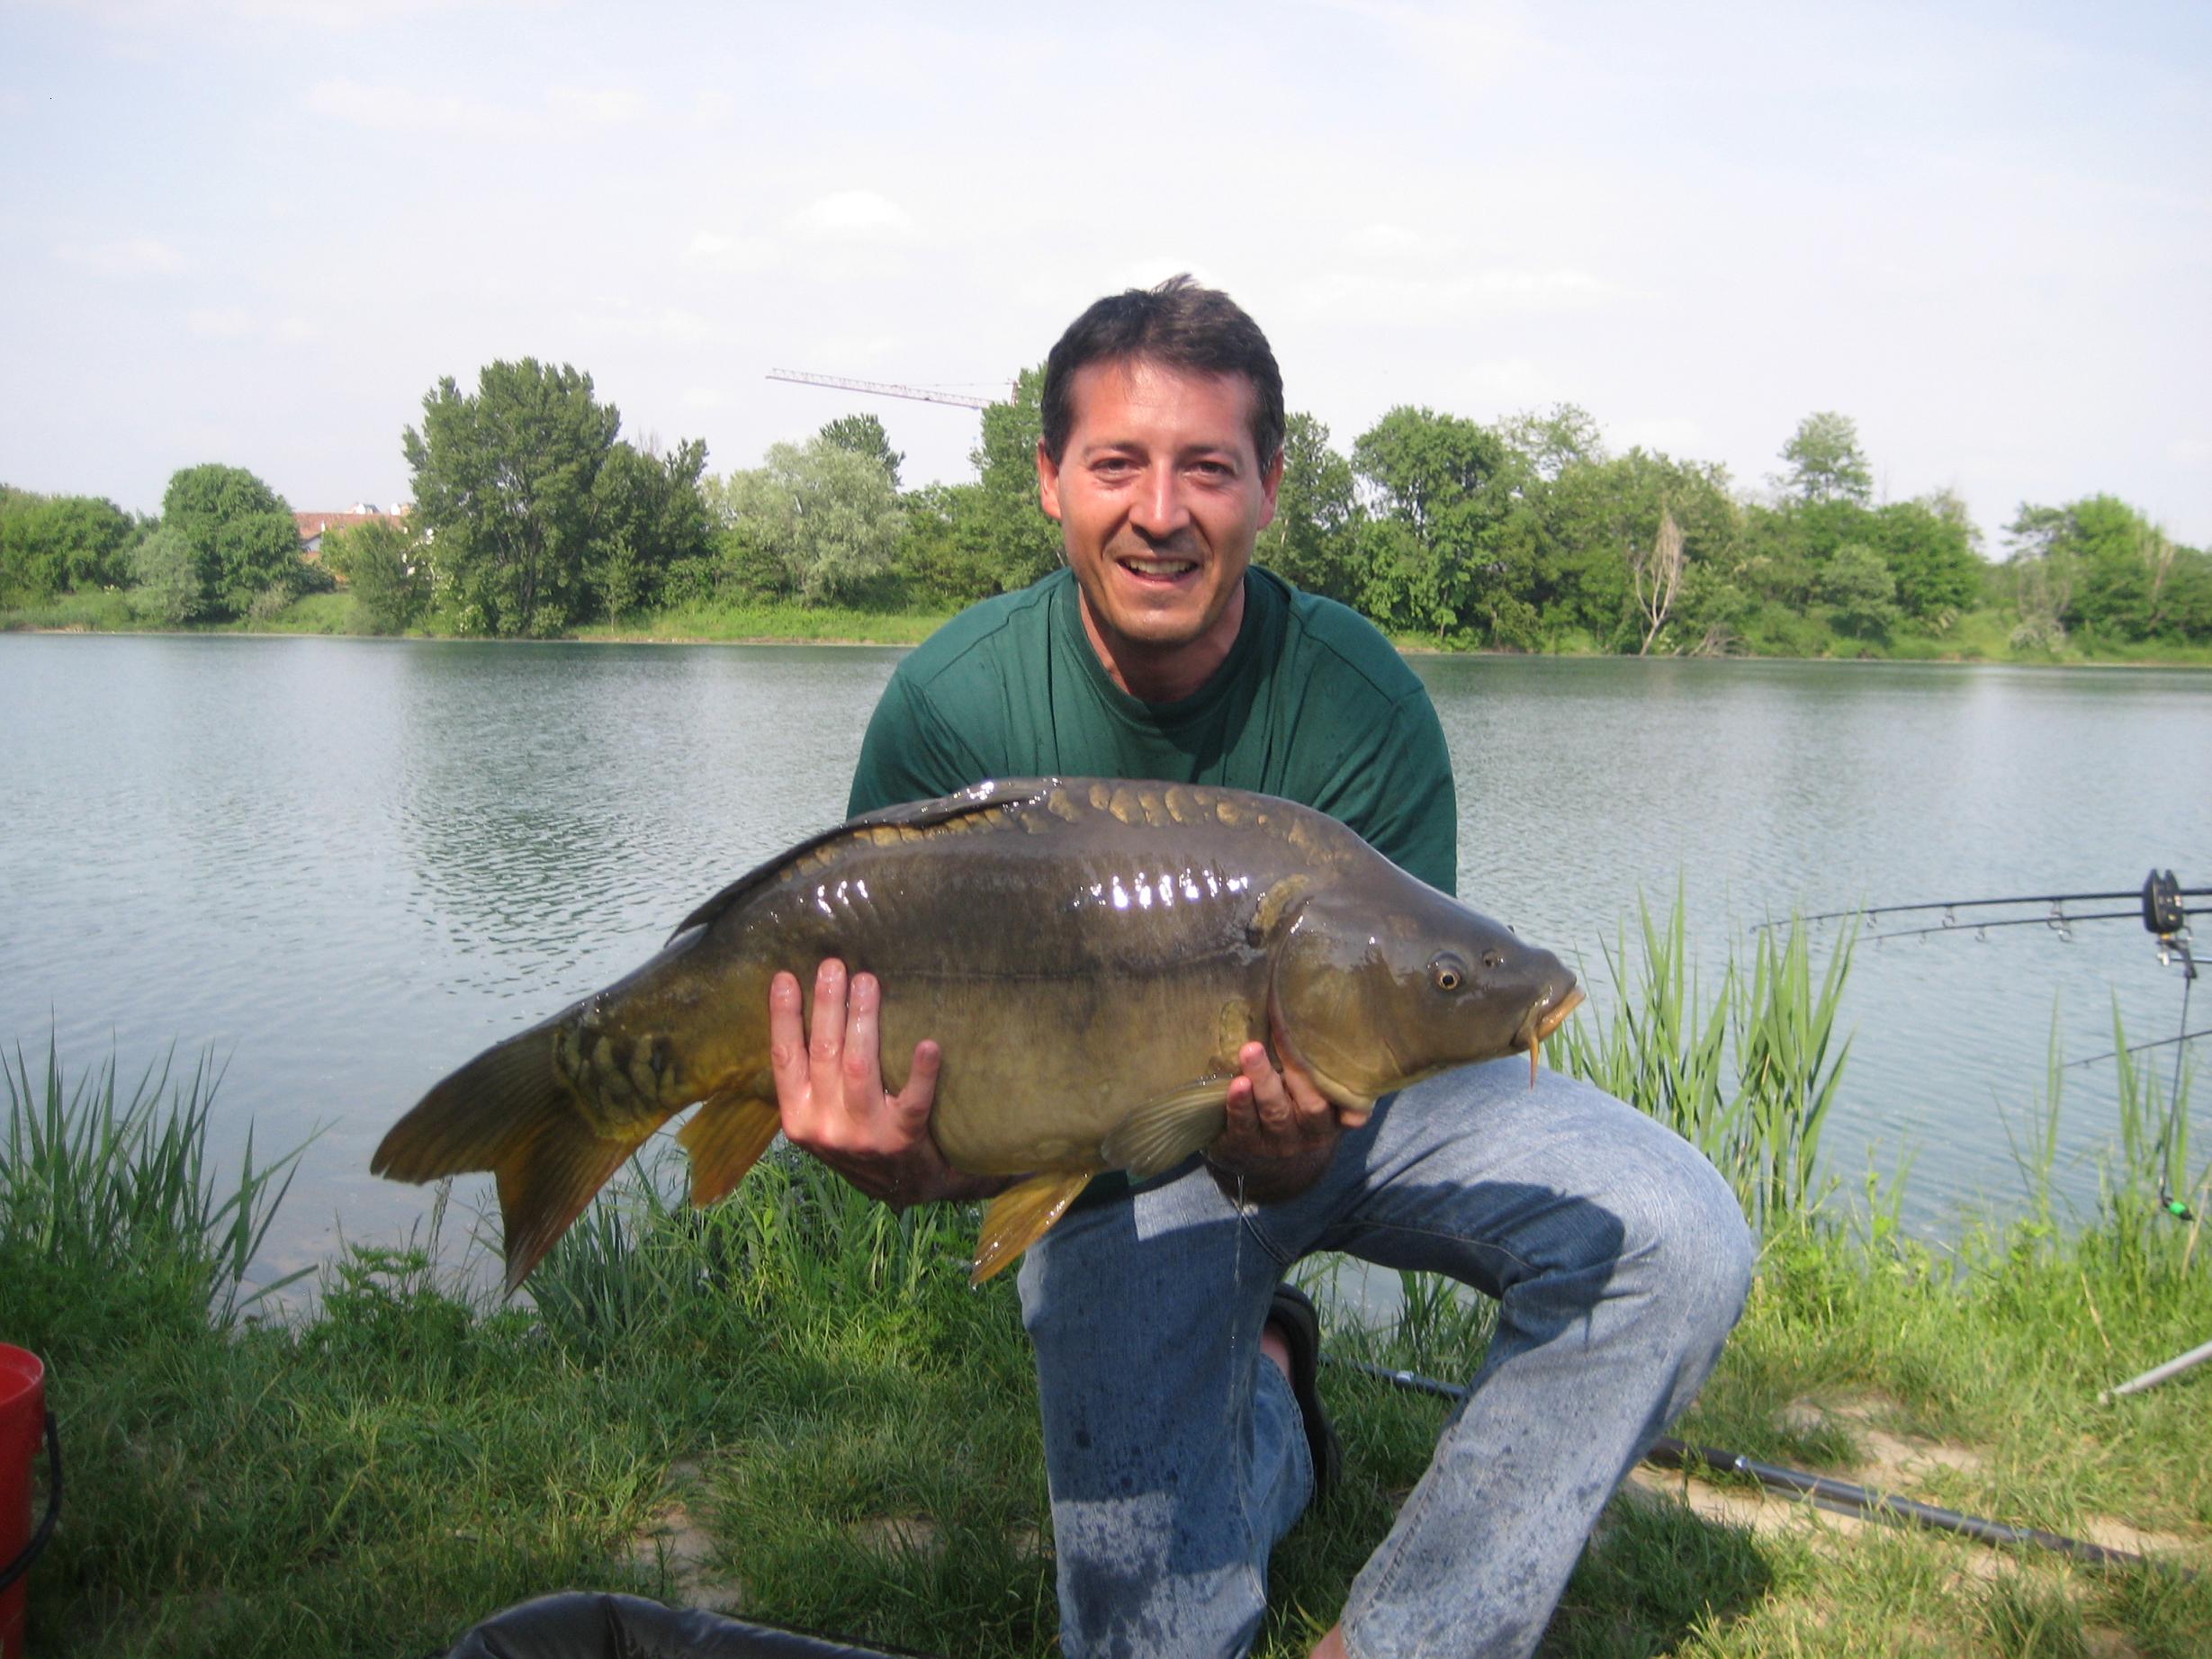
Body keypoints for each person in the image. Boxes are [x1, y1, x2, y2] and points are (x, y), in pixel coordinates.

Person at [767, 276, 1756, 1659]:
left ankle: (1410, 1637)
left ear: (1269, 487)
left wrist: (1294, 1149)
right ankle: (1275, 1396)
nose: (1159, 511)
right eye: (1117, 463)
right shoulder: (954, 705)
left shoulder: (1359, 700)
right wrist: (901, 1161)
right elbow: (936, 1105)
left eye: (1207, 469)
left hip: (1357, 1111)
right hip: (1112, 1159)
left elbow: (1409, 1007)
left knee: (1675, 1234)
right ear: (1049, 479)